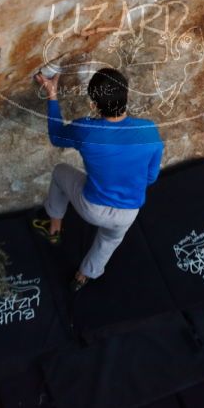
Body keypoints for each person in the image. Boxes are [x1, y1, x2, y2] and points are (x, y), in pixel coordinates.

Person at [33, 67, 163, 291]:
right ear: (126, 95)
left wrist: (52, 94)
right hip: (128, 213)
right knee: (109, 241)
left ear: (94, 104)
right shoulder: (149, 131)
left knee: (59, 171)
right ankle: (84, 275)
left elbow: (56, 136)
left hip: (91, 207)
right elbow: (151, 177)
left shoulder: (86, 130)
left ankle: (54, 226)